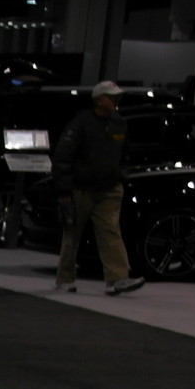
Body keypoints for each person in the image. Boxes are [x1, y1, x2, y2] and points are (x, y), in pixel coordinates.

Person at [52, 81, 141, 295]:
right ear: (99, 100)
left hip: (110, 188)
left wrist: (122, 176)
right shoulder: (80, 124)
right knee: (72, 234)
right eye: (112, 97)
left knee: (110, 231)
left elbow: (126, 153)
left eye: (117, 97)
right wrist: (64, 192)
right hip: (81, 189)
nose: (116, 101)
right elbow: (63, 158)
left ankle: (117, 279)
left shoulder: (119, 124)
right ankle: (65, 278)